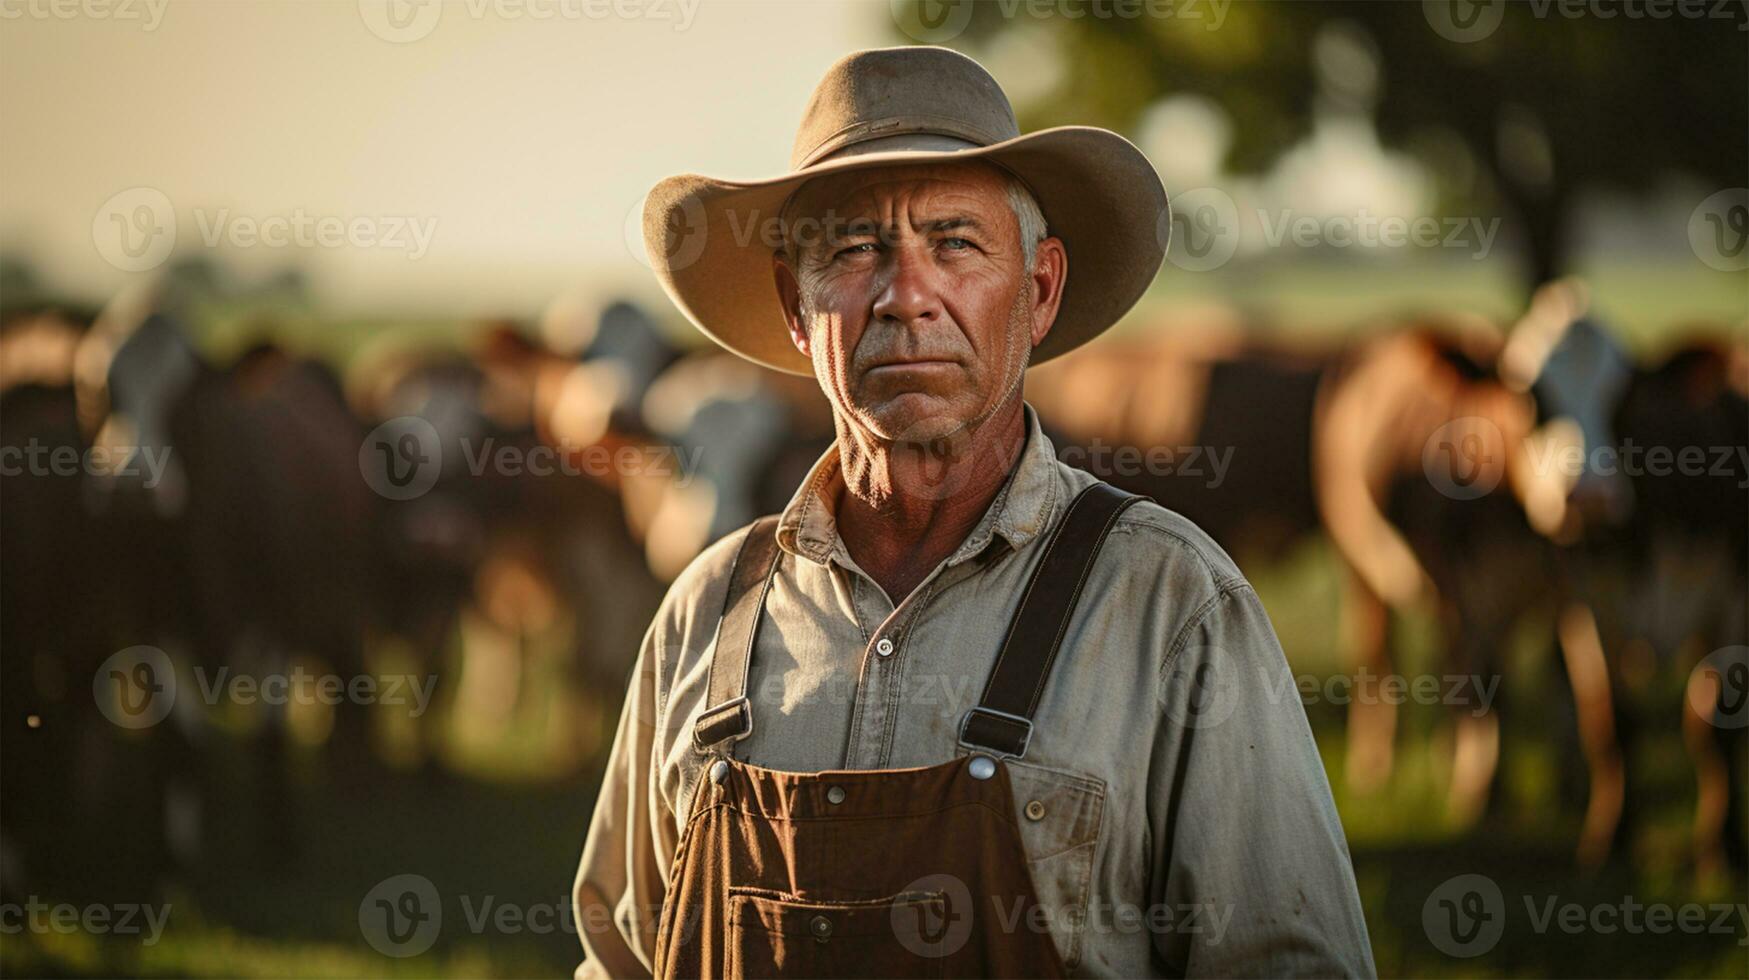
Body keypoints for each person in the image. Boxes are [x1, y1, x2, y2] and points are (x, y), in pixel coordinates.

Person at [572, 45, 1375, 979]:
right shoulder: (704, 616)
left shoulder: (1170, 603)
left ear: (1036, 292)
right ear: (798, 307)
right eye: (854, 249)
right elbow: (619, 961)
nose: (906, 297)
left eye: (954, 244)